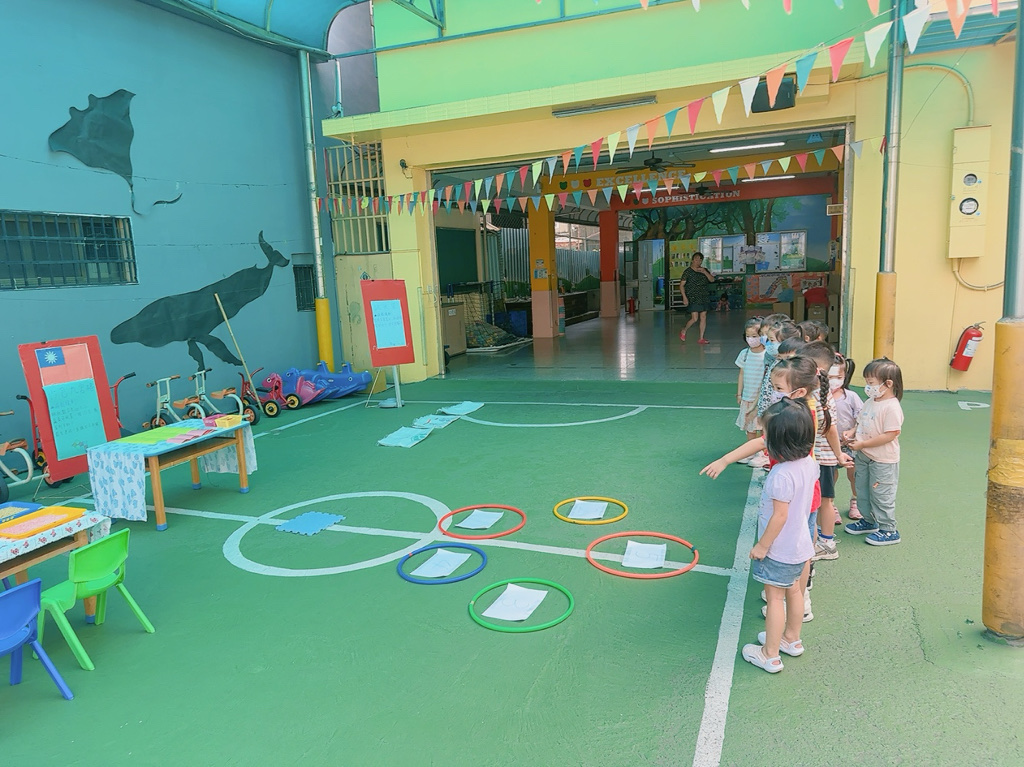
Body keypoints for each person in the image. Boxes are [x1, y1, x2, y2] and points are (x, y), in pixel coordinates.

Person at [742, 399, 818, 673]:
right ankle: (791, 639)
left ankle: (770, 654)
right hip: (800, 544)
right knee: (795, 591)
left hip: (779, 549)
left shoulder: (780, 475)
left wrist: (763, 546)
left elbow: (779, 516)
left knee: (775, 598)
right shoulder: (809, 463)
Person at [794, 343, 854, 561]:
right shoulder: (817, 391)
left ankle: (827, 544)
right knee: (817, 502)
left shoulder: (818, 394)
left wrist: (838, 455)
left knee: (825, 502)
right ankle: (818, 538)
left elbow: (830, 429)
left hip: (822, 459)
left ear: (815, 369)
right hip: (816, 458)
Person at [844, 358, 905, 546]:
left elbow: (890, 435)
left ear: (888, 384)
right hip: (864, 455)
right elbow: (862, 420)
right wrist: (852, 432)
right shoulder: (871, 401)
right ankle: (869, 521)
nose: (868, 387)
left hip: (883, 460)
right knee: (862, 490)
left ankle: (888, 529)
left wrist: (863, 444)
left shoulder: (892, 407)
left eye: (871, 383)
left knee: (881, 495)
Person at [831, 355, 863, 520]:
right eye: (830, 377)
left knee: (854, 474)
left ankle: (856, 501)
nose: (834, 381)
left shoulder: (851, 397)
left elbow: (862, 418)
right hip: (830, 445)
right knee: (830, 476)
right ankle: (830, 505)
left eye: (838, 377)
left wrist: (852, 431)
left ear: (845, 376)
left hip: (850, 444)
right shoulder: (820, 396)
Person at [735, 318, 767, 450]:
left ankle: (763, 453)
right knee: (750, 428)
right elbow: (741, 374)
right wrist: (739, 394)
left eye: (754, 336)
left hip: (762, 399)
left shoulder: (767, 355)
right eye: (748, 336)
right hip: (748, 397)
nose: (751, 339)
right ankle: (751, 452)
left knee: (763, 428)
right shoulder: (745, 354)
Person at [679, 252, 715, 344]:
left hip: (704, 296)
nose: (698, 262)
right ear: (692, 260)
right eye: (696, 259)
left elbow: (712, 280)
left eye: (700, 260)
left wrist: (704, 272)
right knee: (694, 318)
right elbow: (681, 285)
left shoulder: (704, 270)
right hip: (693, 297)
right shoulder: (687, 272)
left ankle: (701, 338)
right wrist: (684, 297)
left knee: (703, 316)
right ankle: (684, 330)